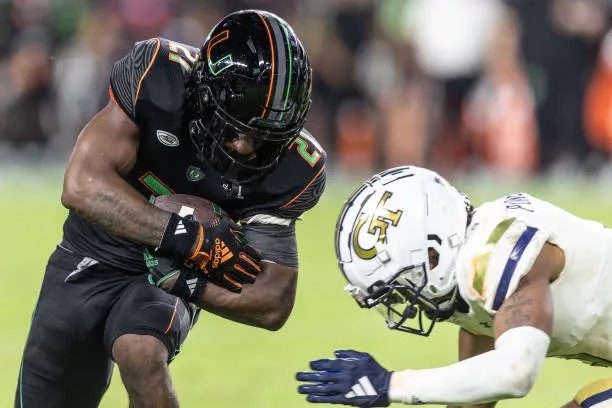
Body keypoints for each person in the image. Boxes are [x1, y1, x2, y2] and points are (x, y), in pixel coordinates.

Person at [16, 9, 326, 408]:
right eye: (235, 128)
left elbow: (273, 302)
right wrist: (187, 237)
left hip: (170, 272)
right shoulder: (157, 76)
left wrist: (189, 283)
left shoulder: (296, 165)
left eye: (264, 138)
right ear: (203, 92)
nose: (245, 148)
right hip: (93, 249)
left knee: (142, 351)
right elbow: (81, 186)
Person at [296, 165, 612, 407]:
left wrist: (390, 384)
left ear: (434, 252)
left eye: (403, 288)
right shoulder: (474, 293)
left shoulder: (496, 255)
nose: (406, 303)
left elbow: (516, 372)